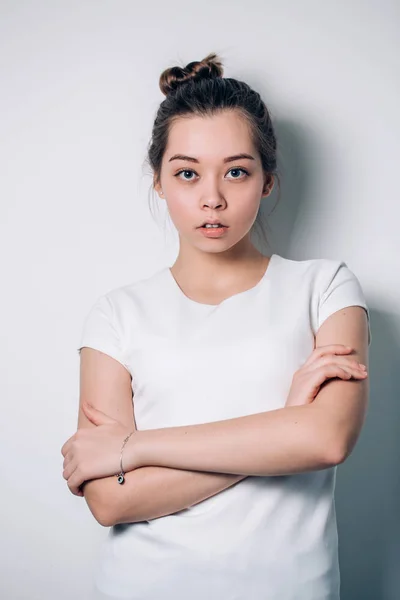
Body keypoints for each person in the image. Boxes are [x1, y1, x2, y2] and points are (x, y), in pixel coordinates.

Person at [61, 52, 371, 599]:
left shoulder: (327, 289)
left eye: (236, 171)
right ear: (158, 181)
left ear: (268, 180)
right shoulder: (115, 314)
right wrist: (284, 426)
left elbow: (325, 439)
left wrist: (134, 447)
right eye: (186, 172)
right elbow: (109, 501)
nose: (213, 198)